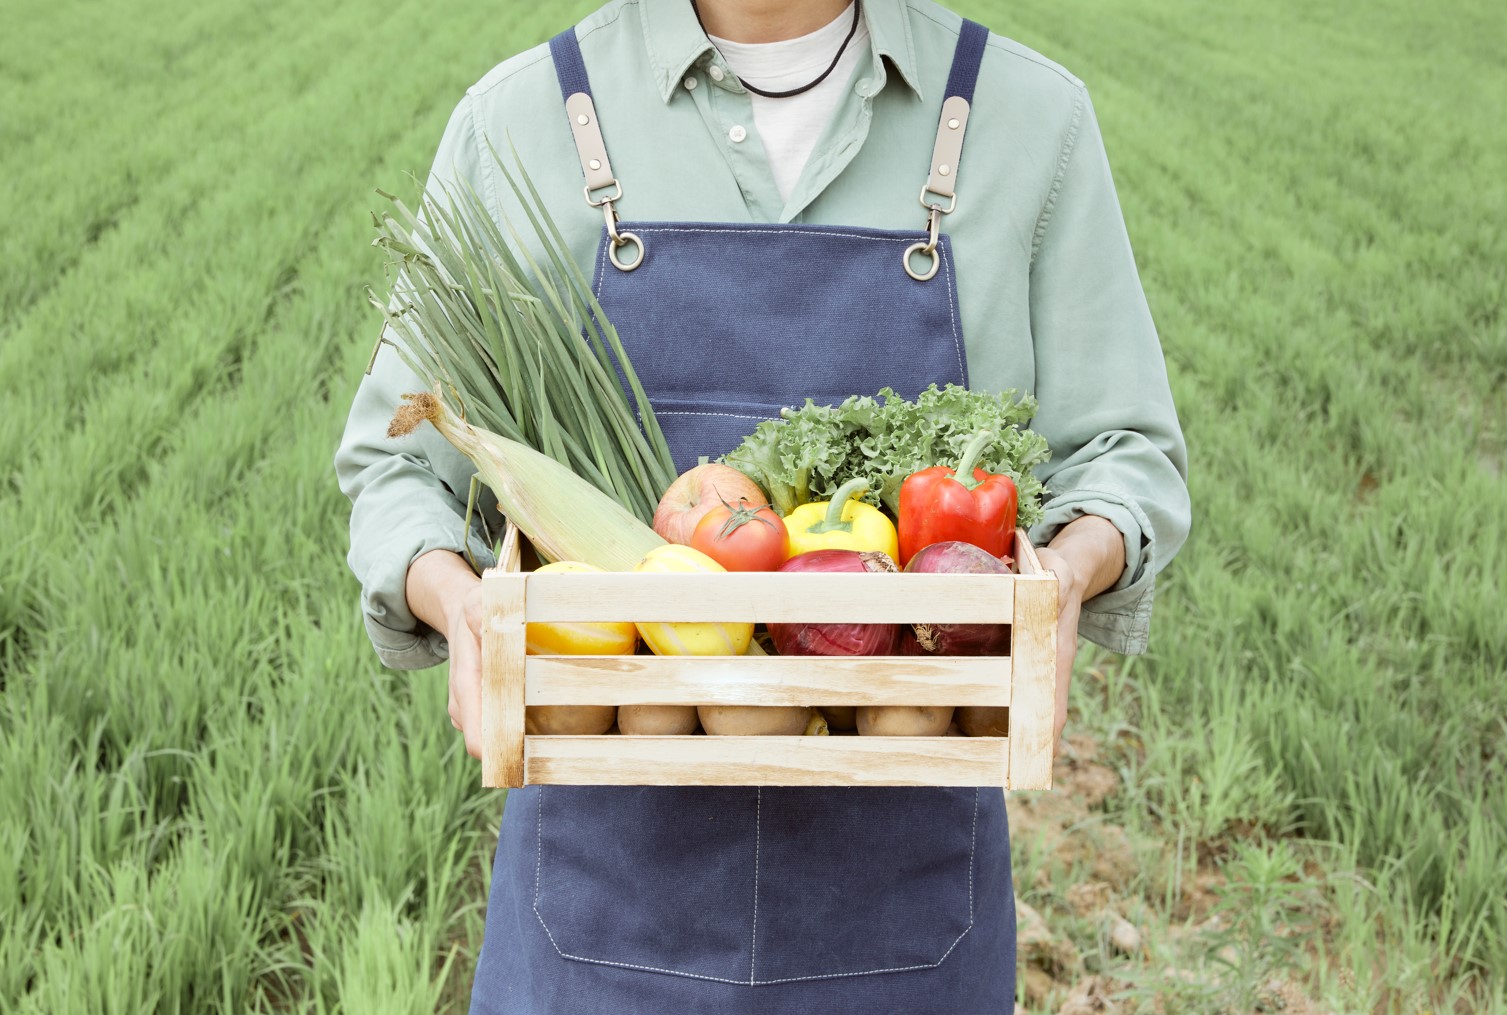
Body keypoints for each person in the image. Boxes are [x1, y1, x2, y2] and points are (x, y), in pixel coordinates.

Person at [335, 0, 1190, 1010]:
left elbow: (1122, 454)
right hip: (598, 913)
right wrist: (458, 597)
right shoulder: (522, 119)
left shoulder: (1026, 121)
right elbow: (396, 467)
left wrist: (1066, 574)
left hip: (904, 918)